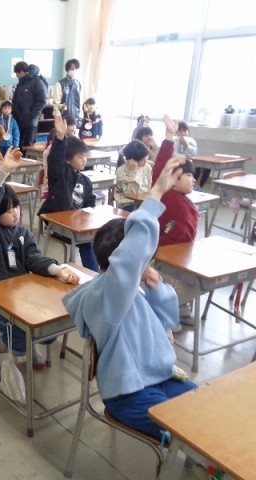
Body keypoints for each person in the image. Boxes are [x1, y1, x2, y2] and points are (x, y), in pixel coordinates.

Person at [62, 155, 197, 440]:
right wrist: (156, 193)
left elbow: (168, 318)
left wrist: (155, 286)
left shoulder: (131, 288)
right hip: (128, 394)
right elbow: (129, 257)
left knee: (207, 411)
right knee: (188, 431)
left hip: (160, 377)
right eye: (141, 258)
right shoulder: (106, 294)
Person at [0, 145, 77, 372]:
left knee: (49, 327)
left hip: (19, 296)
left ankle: (29, 344)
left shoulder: (23, 233)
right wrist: (3, 171)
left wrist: (58, 270)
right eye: (8, 211)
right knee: (21, 335)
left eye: (16, 208)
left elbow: (34, 258)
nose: (15, 213)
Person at [152, 115, 198, 327]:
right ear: (173, 178)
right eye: (189, 176)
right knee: (169, 287)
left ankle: (181, 307)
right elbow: (160, 169)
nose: (194, 180)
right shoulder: (168, 196)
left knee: (188, 283)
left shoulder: (187, 201)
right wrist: (169, 137)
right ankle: (169, 313)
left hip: (183, 255)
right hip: (165, 257)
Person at [39, 116, 98, 271]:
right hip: (58, 224)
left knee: (98, 238)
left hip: (78, 224)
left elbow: (90, 201)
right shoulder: (60, 175)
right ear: (67, 159)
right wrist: (60, 138)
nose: (84, 160)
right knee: (87, 243)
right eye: (80, 156)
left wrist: (87, 216)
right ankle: (94, 275)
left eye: (85, 156)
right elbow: (55, 160)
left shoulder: (85, 180)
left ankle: (95, 275)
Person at [12, 61, 48, 148]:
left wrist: (32, 115)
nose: (16, 76)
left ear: (21, 71)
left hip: (30, 122)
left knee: (29, 146)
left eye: (17, 73)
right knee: (19, 146)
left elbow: (42, 100)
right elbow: (15, 100)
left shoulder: (37, 81)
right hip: (19, 121)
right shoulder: (21, 83)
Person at [114, 140, 152, 211]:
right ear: (132, 160)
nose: (145, 162)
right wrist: (133, 172)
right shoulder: (121, 171)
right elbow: (131, 194)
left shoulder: (147, 168)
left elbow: (149, 188)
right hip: (128, 203)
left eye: (146, 158)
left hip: (144, 201)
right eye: (143, 160)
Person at [174, 121, 205, 186]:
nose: (183, 133)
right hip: (178, 161)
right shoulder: (174, 140)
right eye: (180, 131)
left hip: (190, 161)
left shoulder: (191, 141)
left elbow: (194, 153)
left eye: (185, 131)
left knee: (199, 168)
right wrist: (184, 158)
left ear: (188, 131)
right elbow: (174, 153)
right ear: (176, 132)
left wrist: (186, 145)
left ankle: (193, 184)